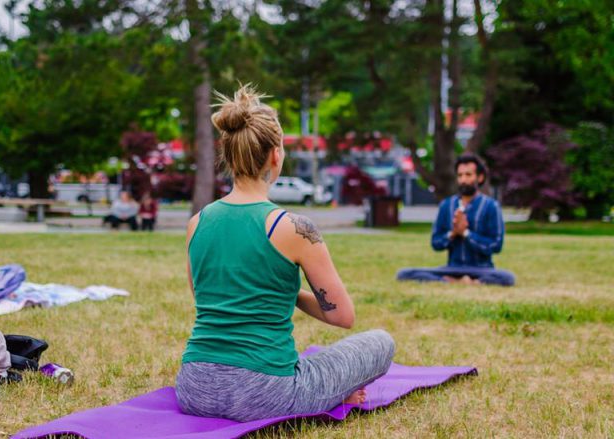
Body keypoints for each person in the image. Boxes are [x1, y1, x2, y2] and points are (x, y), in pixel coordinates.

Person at [175, 85, 395, 422]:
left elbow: (204, 297)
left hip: (193, 388)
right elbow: (342, 316)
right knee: (381, 342)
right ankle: (337, 390)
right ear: (276, 155)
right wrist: (288, 291)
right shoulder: (294, 227)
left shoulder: (197, 222)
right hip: (265, 395)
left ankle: (336, 388)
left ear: (228, 155)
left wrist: (273, 288)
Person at [396, 155, 516, 286]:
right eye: (460, 175)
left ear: (480, 177)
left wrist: (466, 234)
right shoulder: (446, 205)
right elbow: (436, 243)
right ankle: (457, 281)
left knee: (507, 277)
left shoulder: (491, 206)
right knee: (404, 273)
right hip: (452, 268)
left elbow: (496, 245)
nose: (463, 180)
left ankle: (467, 282)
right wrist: (452, 234)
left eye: (468, 175)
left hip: (482, 269)